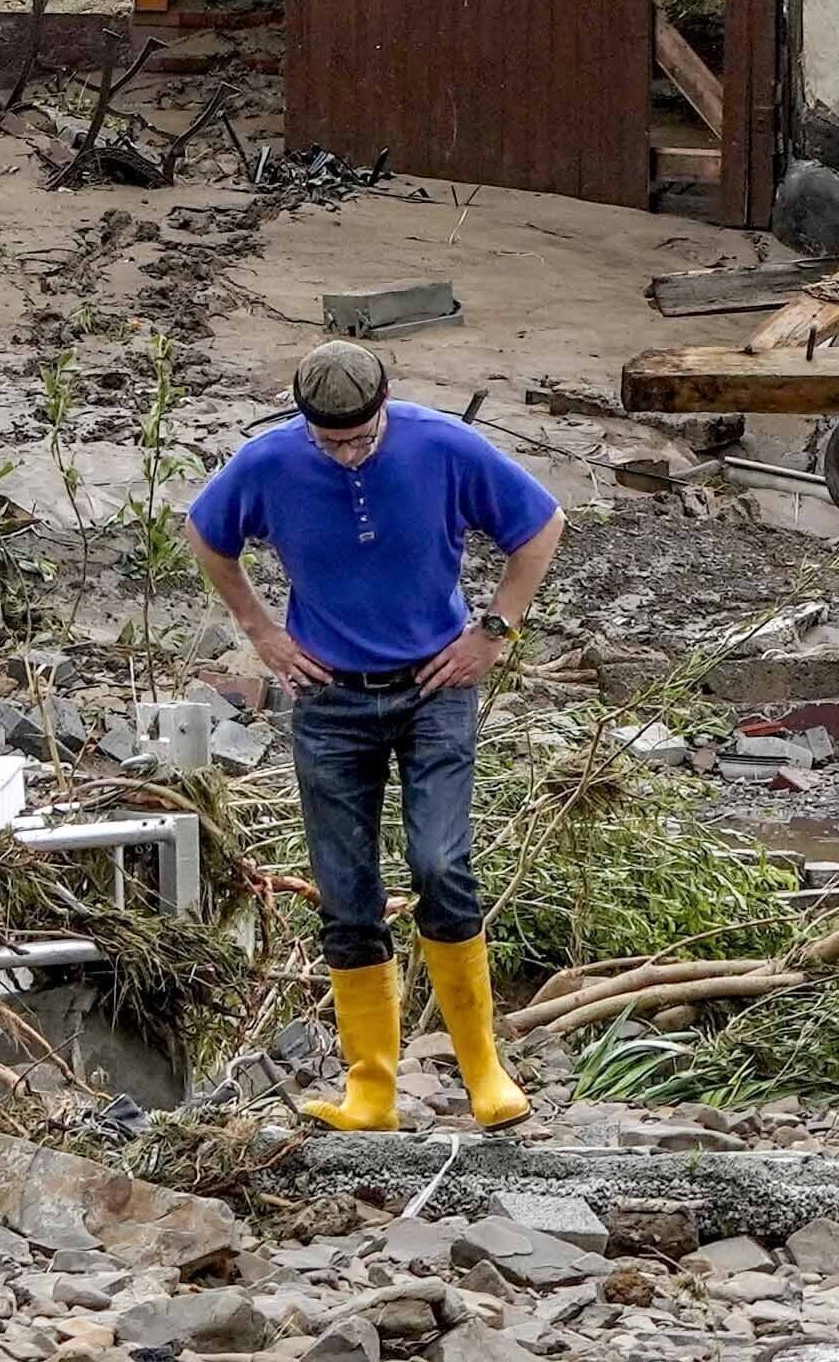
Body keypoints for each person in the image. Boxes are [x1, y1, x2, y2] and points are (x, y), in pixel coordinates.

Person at [185, 342, 566, 1132]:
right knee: (346, 891)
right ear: (308, 426)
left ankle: (483, 1070)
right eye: (334, 445)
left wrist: (494, 631)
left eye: (363, 439)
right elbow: (206, 536)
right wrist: (261, 633)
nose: (351, 454)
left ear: (385, 406)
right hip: (328, 700)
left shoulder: (443, 446)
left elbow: (542, 526)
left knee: (440, 863)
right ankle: (373, 1090)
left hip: (436, 688)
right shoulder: (268, 463)